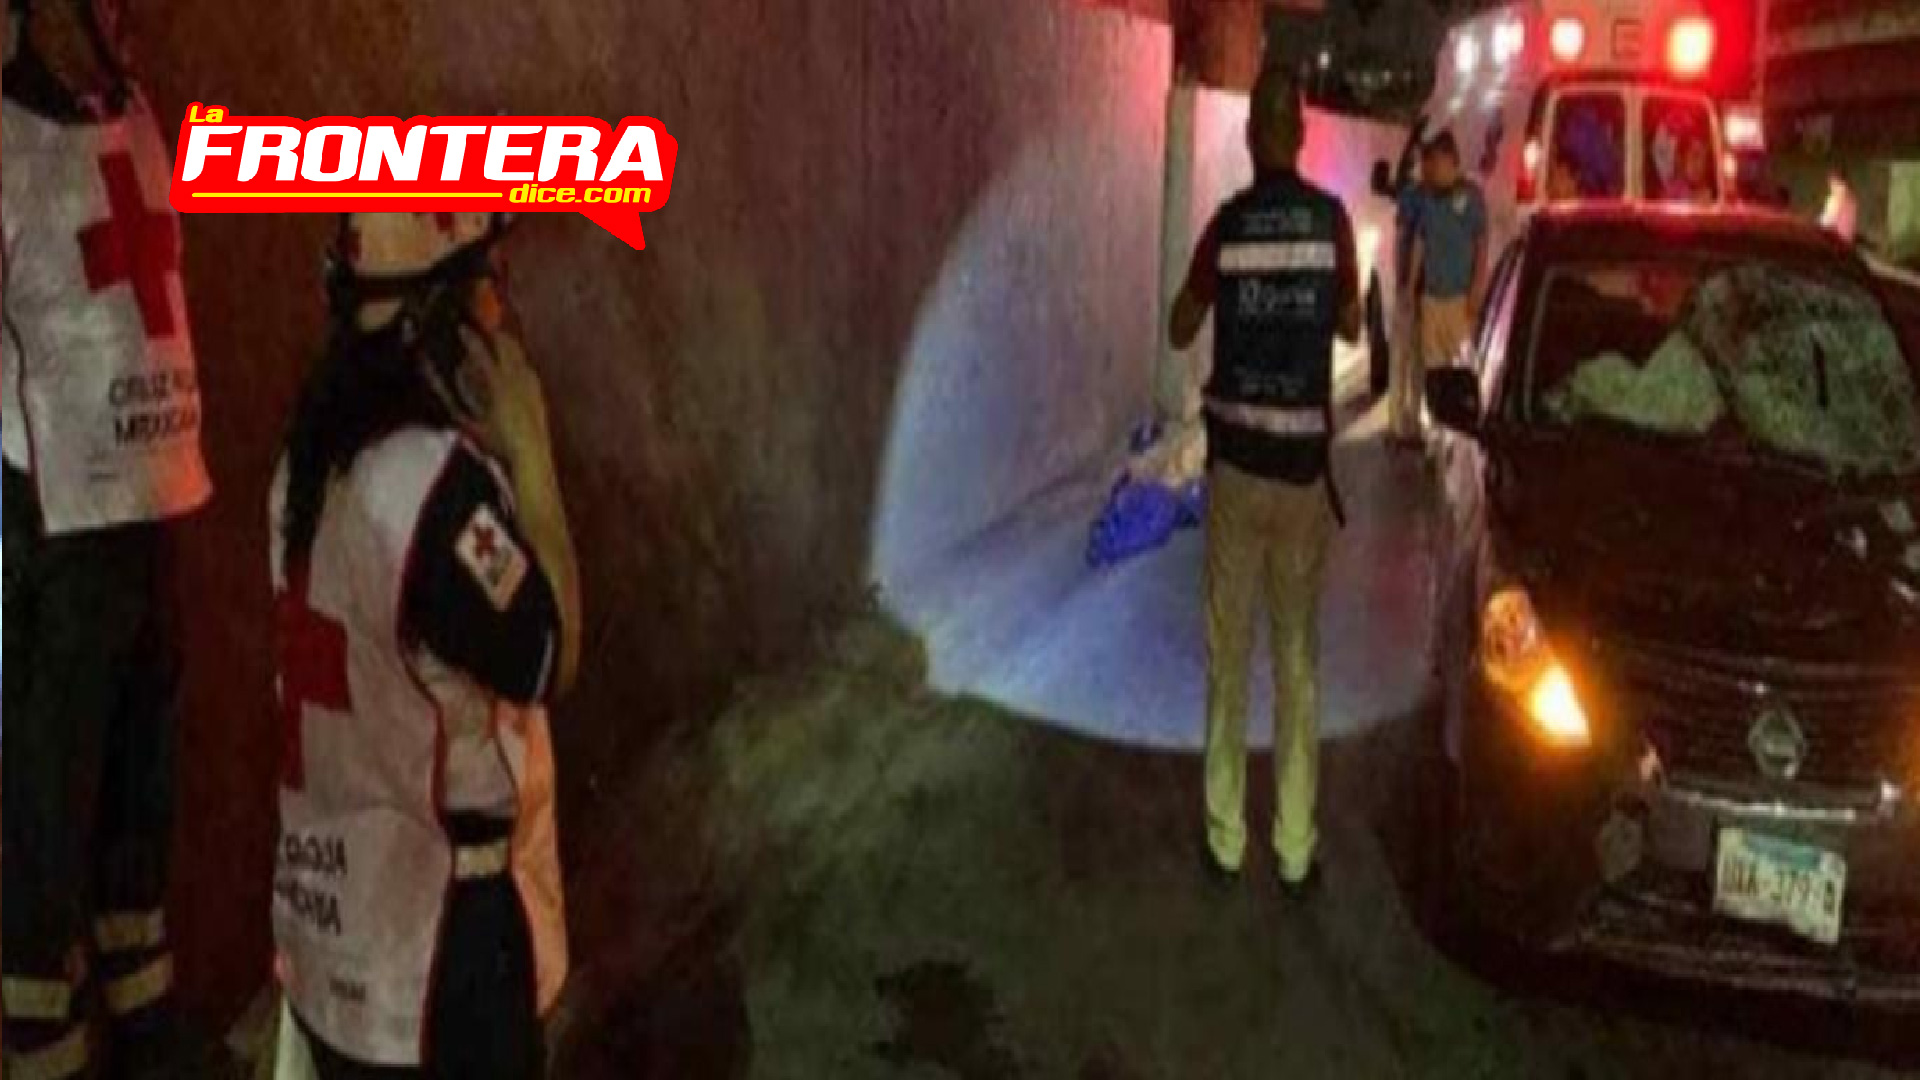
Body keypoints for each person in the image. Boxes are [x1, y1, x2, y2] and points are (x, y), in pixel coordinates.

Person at [267, 212, 582, 1079]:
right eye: (491, 285)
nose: (505, 315)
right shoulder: (431, 487)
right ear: (440, 317)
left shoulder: (306, 466)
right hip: (440, 953)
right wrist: (530, 444)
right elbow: (549, 652)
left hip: (333, 938)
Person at [3, 2, 219, 1076]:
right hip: (61, 535)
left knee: (137, 825)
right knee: (42, 835)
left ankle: (145, 1040)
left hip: (151, 523)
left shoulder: (134, 117)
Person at [1169, 69, 1360, 892]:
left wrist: (1226, 297)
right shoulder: (1332, 222)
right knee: (1296, 664)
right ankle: (1294, 849)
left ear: (1252, 136)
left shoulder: (1227, 225)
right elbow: (1351, 324)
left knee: (1229, 657)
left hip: (1239, 476)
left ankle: (1224, 841)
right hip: (1302, 482)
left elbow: (1179, 329)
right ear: (1301, 134)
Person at [1407, 132, 1487, 378]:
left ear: (1450, 160)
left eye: (1436, 162)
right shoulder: (1428, 199)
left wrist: (1477, 286)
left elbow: (1481, 242)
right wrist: (1411, 286)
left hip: (1458, 300)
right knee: (1433, 368)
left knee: (1461, 368)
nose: (1432, 169)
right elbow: (1420, 242)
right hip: (1431, 298)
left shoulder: (1470, 196)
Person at [1386, 150, 1432, 443]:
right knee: (1409, 355)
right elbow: (1404, 240)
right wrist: (1404, 283)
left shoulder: (1418, 197)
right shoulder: (1418, 196)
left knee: (1411, 356)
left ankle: (1406, 420)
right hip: (1416, 287)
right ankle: (1401, 421)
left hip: (1423, 287)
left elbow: (1404, 239)